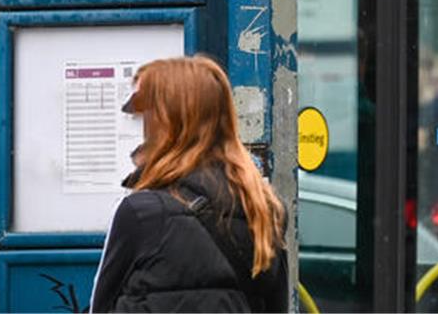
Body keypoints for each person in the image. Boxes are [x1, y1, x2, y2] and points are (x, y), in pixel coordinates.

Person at [89, 55, 289, 313]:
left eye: (145, 116)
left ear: (166, 122)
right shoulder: (264, 208)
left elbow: (101, 306)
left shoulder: (142, 213)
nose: (141, 128)